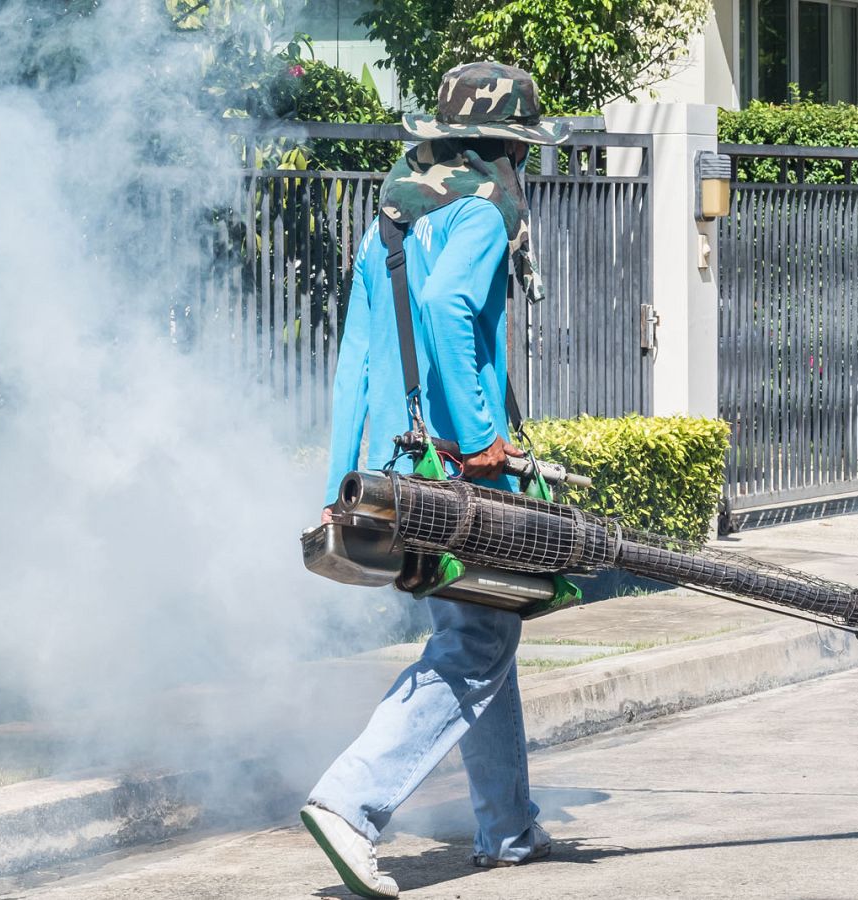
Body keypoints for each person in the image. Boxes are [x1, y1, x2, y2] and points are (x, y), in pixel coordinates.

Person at [299, 61, 570, 899]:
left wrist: (340, 476)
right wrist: (486, 442)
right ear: (506, 145)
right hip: (456, 467)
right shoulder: (484, 210)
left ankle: (510, 825)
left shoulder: (390, 215)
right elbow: (454, 308)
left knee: (490, 617)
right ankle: (353, 800)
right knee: (476, 641)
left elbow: (351, 362)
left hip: (392, 465)